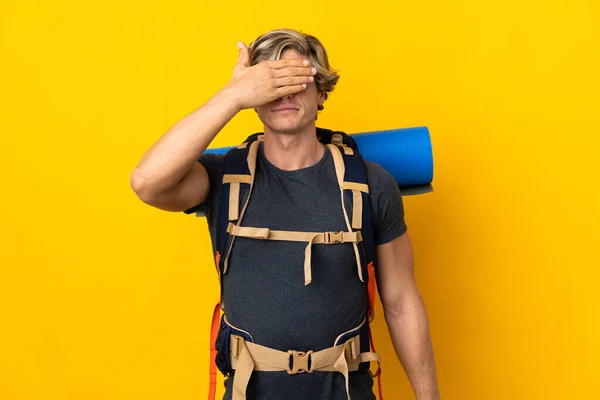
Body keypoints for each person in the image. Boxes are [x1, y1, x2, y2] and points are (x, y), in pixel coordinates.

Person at [130, 28, 441, 400]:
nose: (286, 93)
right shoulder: (223, 179)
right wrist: (232, 96)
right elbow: (147, 182)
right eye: (272, 83)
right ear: (255, 98)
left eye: (298, 79)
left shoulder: (372, 184)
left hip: (345, 390)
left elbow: (402, 302)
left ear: (321, 91)